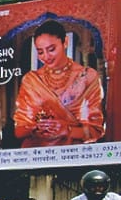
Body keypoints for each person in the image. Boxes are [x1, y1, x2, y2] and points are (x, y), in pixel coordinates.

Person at [12, 20, 104, 148]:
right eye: (40, 52)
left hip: (73, 156)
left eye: (51, 49)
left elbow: (95, 132)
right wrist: (35, 128)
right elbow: (19, 131)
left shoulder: (87, 76)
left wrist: (67, 130)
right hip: (36, 155)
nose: (46, 56)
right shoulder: (31, 80)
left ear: (65, 42)